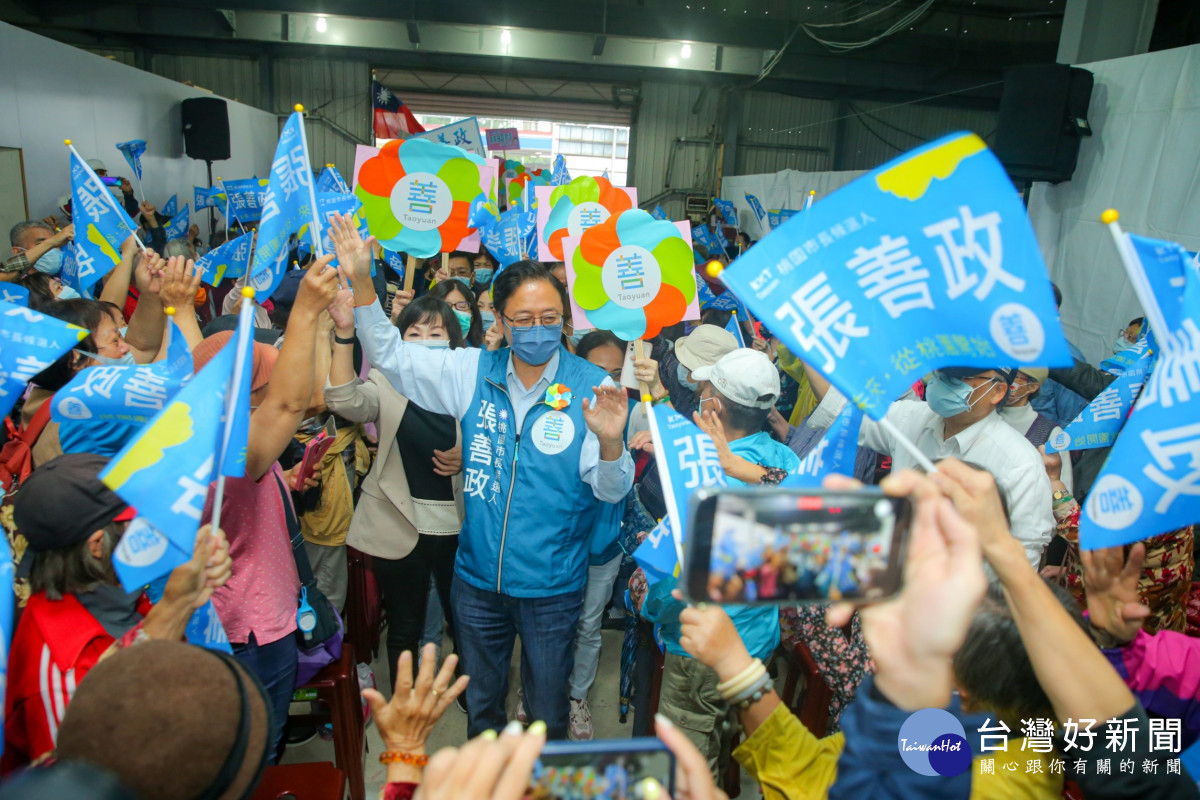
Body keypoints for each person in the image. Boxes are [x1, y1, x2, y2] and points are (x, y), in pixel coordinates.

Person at [332, 212, 633, 740]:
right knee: (483, 707)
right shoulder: (472, 370)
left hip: (552, 585)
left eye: (548, 318)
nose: (536, 330)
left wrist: (611, 442)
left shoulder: (592, 387)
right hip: (476, 582)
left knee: (546, 711)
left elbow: (611, 491)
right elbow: (391, 356)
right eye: (523, 318)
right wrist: (361, 280)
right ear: (501, 317)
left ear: (564, 319)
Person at [2, 453, 232, 772]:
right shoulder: (60, 679)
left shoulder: (118, 594)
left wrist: (185, 595)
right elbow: (80, 787)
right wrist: (177, 603)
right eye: (140, 522)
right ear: (98, 545)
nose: (156, 528)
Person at [198, 259, 342, 759]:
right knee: (255, 745)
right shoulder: (228, 449)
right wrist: (308, 311)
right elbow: (292, 404)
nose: (280, 391)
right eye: (267, 381)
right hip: (250, 628)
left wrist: (292, 485)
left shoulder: (193, 435)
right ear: (248, 392)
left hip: (240, 618)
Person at [635, 349, 799, 778]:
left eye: (704, 391)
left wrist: (648, 599)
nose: (700, 397)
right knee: (727, 735)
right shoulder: (782, 462)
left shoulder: (699, 476)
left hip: (701, 646)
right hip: (757, 640)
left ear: (715, 406)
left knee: (689, 765)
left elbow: (672, 584)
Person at [324, 294, 467, 686]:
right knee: (404, 625)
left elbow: (499, 441)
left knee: (467, 624)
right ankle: (404, 701)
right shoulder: (386, 379)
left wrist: (467, 455)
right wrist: (344, 335)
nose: (423, 339)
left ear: (452, 339)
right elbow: (344, 400)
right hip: (399, 524)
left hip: (462, 526)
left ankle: (474, 698)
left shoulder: (469, 380)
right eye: (413, 332)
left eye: (435, 332)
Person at [806, 365, 1054, 566]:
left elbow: (1023, 556)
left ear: (998, 391)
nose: (944, 382)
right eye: (941, 373)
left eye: (960, 378)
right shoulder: (911, 418)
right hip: (891, 583)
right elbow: (841, 412)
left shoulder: (1019, 465)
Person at [562, 330, 629, 739]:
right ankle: (535, 694)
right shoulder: (558, 408)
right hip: (559, 543)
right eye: (599, 371)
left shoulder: (631, 413)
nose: (609, 382)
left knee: (587, 626)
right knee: (545, 626)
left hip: (602, 547)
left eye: (617, 373)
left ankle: (576, 698)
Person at [996, 366, 1073, 491]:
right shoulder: (982, 420)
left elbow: (1064, 487)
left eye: (1013, 377)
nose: (1004, 381)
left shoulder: (1051, 433)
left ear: (1033, 387)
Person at [3, 220, 74, 279]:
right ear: (17, 252)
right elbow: (6, 272)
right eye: (40, 244)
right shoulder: (14, 287)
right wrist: (50, 243)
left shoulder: (65, 275)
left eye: (56, 244)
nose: (51, 249)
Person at [429, 278, 484, 347]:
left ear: (472, 315)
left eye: (461, 306)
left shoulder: (482, 353)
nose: (454, 313)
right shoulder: (416, 352)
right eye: (446, 306)